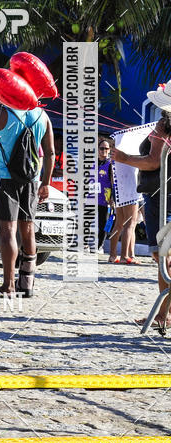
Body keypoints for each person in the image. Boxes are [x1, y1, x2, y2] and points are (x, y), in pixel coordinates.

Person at [0, 100, 54, 297]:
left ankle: (8, 285)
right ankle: (27, 284)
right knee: (28, 230)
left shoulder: (2, 113)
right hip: (32, 180)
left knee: (8, 232)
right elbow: (49, 153)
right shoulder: (42, 115)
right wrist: (45, 183)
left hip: (5, 178)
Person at [112, 88, 171, 332]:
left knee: (162, 256)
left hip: (160, 197)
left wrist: (123, 158)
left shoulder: (163, 126)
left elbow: (153, 161)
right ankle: (164, 313)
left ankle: (163, 314)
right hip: (163, 195)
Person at [96, 137, 115, 249]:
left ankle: (100, 246)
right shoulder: (93, 163)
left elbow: (113, 182)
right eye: (102, 148)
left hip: (105, 198)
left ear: (109, 150)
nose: (104, 151)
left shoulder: (110, 164)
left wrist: (112, 197)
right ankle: (85, 245)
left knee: (102, 223)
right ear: (98, 149)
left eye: (106, 149)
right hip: (92, 196)